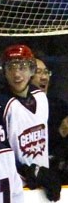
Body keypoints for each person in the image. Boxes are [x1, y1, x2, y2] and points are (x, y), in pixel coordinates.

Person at [0, 44, 61, 202]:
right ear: (4, 71)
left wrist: (44, 173)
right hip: (9, 192)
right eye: (11, 67)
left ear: (31, 69)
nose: (17, 74)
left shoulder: (40, 97)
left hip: (40, 188)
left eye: (22, 67)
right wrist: (34, 172)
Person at [31, 57, 68, 185]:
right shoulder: (17, 107)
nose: (44, 77)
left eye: (46, 72)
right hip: (33, 177)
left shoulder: (59, 105)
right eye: (38, 72)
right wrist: (60, 132)